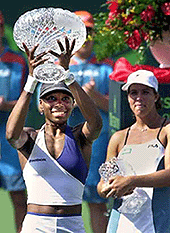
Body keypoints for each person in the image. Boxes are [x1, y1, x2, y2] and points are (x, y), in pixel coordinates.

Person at [6, 36, 102, 233]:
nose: (59, 103)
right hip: (36, 226)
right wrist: (31, 80)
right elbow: (11, 134)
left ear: (73, 104)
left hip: (73, 225)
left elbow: (96, 123)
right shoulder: (30, 138)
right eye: (51, 98)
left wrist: (68, 75)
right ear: (41, 106)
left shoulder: (78, 137)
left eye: (65, 99)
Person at [97, 69, 170, 233]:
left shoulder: (167, 130)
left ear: (156, 96)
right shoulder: (118, 138)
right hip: (120, 225)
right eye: (133, 93)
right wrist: (108, 188)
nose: (139, 98)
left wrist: (131, 181)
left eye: (145, 92)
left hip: (157, 225)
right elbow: (102, 184)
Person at [68, 10, 114, 233]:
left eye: (89, 31)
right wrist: (74, 102)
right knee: (66, 205)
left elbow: (118, 109)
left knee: (97, 202)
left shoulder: (107, 66)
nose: (85, 36)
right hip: (66, 144)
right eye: (80, 31)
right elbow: (41, 106)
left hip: (99, 147)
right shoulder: (61, 67)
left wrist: (94, 98)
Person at [0, 11, 28, 233]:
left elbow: (26, 98)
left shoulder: (18, 60)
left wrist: (6, 105)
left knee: (19, 197)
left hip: (9, 137)